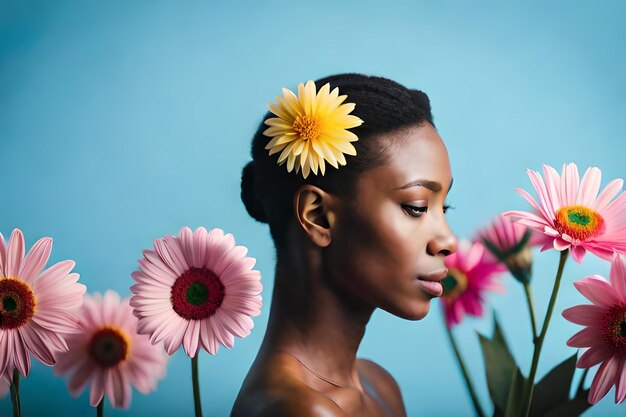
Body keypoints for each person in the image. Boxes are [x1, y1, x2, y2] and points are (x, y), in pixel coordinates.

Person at [232, 73, 457, 417]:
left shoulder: (379, 385)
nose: (448, 240)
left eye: (445, 208)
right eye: (417, 207)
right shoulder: (299, 411)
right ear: (318, 215)